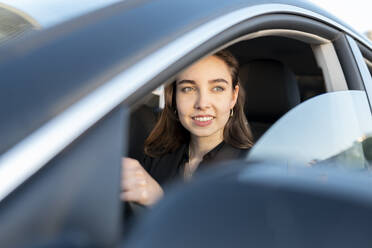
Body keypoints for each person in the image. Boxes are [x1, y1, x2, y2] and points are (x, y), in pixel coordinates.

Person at [121, 50, 254, 206]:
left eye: (217, 88)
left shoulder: (250, 170)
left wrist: (159, 200)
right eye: (188, 89)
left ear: (233, 97)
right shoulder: (156, 157)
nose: (202, 104)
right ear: (174, 97)